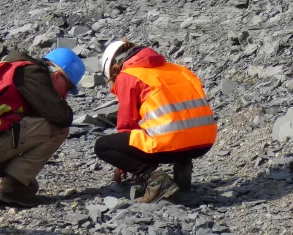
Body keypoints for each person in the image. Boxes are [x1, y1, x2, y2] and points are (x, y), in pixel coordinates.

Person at [0, 47, 85, 208]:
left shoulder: (6, 67)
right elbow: (63, 117)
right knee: (58, 129)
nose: (65, 95)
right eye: (67, 88)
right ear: (58, 75)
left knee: (30, 186)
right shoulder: (32, 73)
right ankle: (11, 186)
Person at [93, 40, 217, 203]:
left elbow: (127, 126)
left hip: (170, 145)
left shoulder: (129, 76)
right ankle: (183, 165)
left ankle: (157, 181)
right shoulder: (180, 70)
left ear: (113, 69)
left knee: (103, 146)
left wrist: (123, 165)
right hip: (203, 143)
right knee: (168, 129)